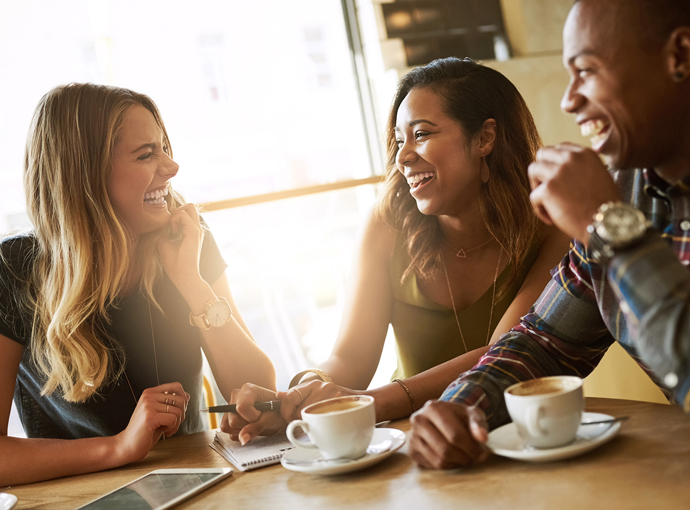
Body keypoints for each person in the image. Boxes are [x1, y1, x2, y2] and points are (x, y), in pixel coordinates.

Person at [223, 57, 570, 444]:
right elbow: (350, 359)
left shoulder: (553, 223)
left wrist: (375, 403)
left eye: (421, 134)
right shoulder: (388, 223)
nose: (403, 156)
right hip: (416, 440)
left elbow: (507, 355)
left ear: (485, 138)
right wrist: (301, 394)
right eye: (400, 140)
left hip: (529, 435)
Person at [407, 0, 690, 470]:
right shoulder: (628, 188)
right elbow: (545, 340)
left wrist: (611, 229)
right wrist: (462, 405)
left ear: (680, 55)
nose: (569, 99)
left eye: (586, 70)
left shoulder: (609, 209)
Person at [0, 83, 276, 485]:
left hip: (194, 484)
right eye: (147, 154)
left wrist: (191, 281)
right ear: (85, 174)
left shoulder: (186, 237)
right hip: (83, 498)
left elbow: (261, 395)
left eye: (164, 148)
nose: (171, 167)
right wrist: (119, 446)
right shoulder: (14, 270)